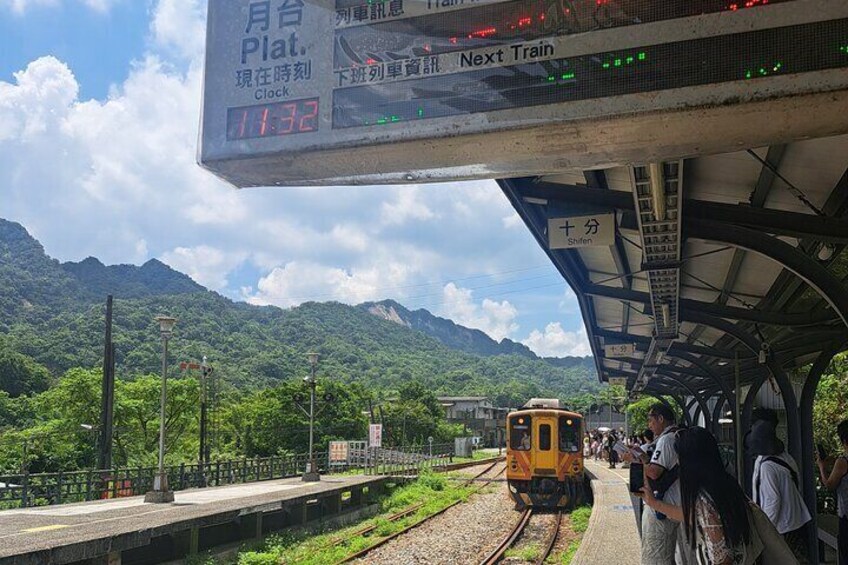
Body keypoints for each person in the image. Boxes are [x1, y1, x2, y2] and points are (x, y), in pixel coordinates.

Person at [639, 427, 764, 565]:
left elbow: (723, 560)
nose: (678, 463)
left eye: (679, 457)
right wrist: (654, 502)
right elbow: (692, 515)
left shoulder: (705, 500)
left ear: (691, 461)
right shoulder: (725, 482)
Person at [624, 403, 683, 564]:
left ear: (661, 419)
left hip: (662, 508)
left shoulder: (666, 440)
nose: (649, 425)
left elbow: (654, 473)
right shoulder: (680, 435)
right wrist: (642, 456)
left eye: (650, 420)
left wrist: (637, 459)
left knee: (655, 557)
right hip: (678, 506)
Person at [747, 418, 811, 557]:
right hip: (796, 522)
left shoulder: (767, 466)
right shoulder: (786, 457)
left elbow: (772, 502)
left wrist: (765, 532)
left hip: (781, 528)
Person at [817, 419, 848, 565]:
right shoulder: (840, 461)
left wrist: (822, 467)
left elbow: (829, 485)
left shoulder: (843, 462)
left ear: (844, 440)